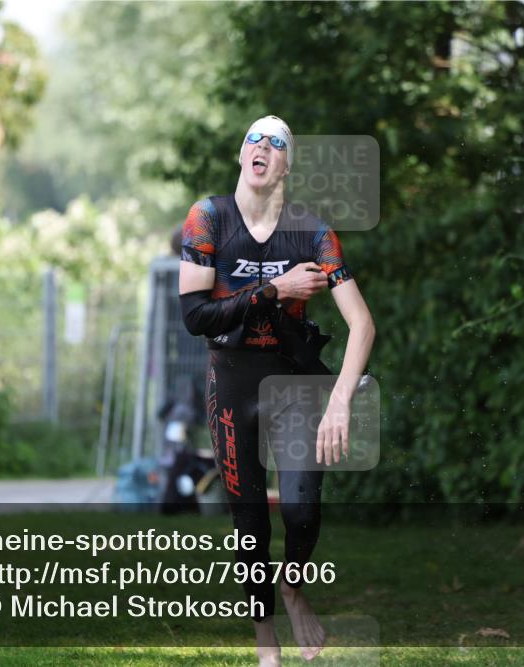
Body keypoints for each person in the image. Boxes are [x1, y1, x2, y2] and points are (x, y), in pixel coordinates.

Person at [178, 115, 375, 666]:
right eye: (253, 139)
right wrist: (275, 291)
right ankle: (266, 640)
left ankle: (293, 589)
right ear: (243, 156)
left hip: (294, 384)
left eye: (277, 142)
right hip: (232, 381)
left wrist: (339, 399)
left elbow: (362, 323)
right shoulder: (208, 219)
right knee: (250, 522)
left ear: (287, 163)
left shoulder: (312, 232)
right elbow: (194, 316)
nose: (262, 146)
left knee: (302, 512)